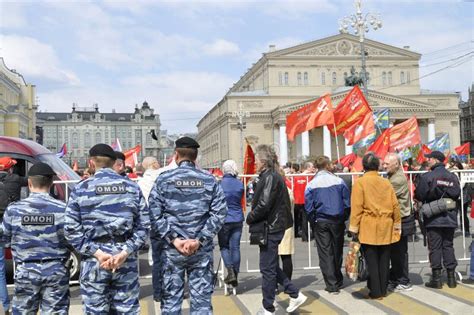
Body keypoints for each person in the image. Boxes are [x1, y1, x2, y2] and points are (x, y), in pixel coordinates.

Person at [65, 144, 150, 314]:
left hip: (95, 260)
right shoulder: (131, 187)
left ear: (91, 162)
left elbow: (70, 229)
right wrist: (125, 252)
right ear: (113, 163)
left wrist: (97, 253)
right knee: (127, 310)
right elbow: (144, 225)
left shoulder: (82, 189)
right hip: (124, 258)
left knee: (95, 311)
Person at [148, 137, 227, 314]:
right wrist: (199, 240)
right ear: (196, 156)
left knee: (171, 302)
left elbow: (153, 214)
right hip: (200, 251)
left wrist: (174, 240)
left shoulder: (164, 179)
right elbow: (219, 213)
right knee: (201, 303)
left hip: (172, 251)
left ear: (176, 155)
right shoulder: (209, 179)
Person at [1, 162, 71, 314]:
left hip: (26, 271)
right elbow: (73, 240)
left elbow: (4, 240)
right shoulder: (63, 209)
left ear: (29, 183)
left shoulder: (14, 210)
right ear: (52, 183)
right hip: (56, 271)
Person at [246, 144, 306, 315]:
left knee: (267, 269)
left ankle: (268, 308)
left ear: (263, 161)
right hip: (272, 226)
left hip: (271, 228)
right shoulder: (270, 176)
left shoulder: (271, 177)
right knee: (270, 266)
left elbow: (264, 205)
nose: (254, 163)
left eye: (256, 160)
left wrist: (250, 218)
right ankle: (294, 294)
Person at [349, 152, 401, 300]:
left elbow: (357, 208)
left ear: (364, 166)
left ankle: (376, 291)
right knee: (384, 259)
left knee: (371, 259)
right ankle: (382, 290)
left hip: (368, 225)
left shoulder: (360, 182)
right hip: (386, 224)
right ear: (377, 167)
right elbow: (395, 206)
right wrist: (397, 226)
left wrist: (353, 228)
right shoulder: (386, 182)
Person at [415, 151, 460, 289]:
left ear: (435, 160)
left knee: (434, 247)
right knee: (448, 245)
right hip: (449, 216)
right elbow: (457, 193)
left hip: (433, 217)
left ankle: (436, 279)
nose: (427, 160)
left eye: (429, 158)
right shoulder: (452, 176)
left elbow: (420, 195)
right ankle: (451, 279)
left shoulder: (428, 176)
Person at [305, 156, 350, 294]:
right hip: (337, 220)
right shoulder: (339, 181)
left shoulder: (311, 184)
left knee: (325, 252)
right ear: (327, 165)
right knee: (337, 250)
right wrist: (344, 217)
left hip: (321, 220)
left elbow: (308, 206)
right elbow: (347, 202)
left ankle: (331, 284)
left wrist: (314, 221)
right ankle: (338, 278)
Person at [383, 153, 416, 292]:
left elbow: (384, 197)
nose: (384, 166)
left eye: (386, 164)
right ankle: (397, 278)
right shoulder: (392, 176)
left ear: (396, 164)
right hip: (398, 219)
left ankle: (402, 280)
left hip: (401, 219)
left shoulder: (397, 179)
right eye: (383, 163)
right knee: (396, 251)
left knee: (399, 252)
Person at [137, 156, 163, 302]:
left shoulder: (140, 183)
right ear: (154, 164)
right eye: (157, 162)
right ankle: (170, 290)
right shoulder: (163, 178)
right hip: (167, 222)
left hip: (150, 222)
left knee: (155, 258)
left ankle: (158, 293)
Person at [218, 160, 245, 287]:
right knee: (236, 248)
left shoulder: (220, 184)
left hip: (224, 219)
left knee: (224, 247)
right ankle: (235, 273)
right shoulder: (239, 184)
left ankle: (230, 271)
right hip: (237, 218)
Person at [278, 168, 295, 280]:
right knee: (286, 257)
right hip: (287, 225)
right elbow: (292, 206)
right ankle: (287, 282)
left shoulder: (271, 191)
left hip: (274, 226)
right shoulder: (288, 190)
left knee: (273, 258)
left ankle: (274, 283)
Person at [293, 162, 314, 241]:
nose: (313, 168)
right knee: (305, 218)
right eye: (312, 167)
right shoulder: (309, 177)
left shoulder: (296, 177)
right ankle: (305, 237)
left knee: (296, 218)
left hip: (297, 200)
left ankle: (295, 233)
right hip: (305, 200)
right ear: (308, 167)